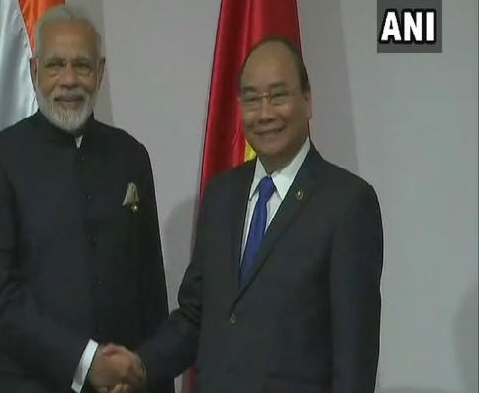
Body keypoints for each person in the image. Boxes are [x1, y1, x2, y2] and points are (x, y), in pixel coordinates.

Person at [104, 36, 384, 393]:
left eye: (278, 96)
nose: (264, 113)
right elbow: (194, 317)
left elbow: (354, 360)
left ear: (308, 100)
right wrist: (139, 366)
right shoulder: (221, 195)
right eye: (252, 99)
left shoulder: (347, 203)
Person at [0, 4, 173, 393]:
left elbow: (150, 290)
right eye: (55, 65)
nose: (69, 80)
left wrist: (148, 376)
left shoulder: (131, 156)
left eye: (81, 65)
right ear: (34, 71)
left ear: (100, 72)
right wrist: (87, 362)